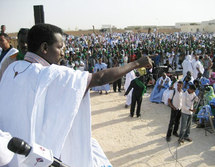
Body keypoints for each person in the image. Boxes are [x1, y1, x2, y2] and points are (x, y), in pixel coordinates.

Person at [0, 23, 153, 167]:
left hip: (11, 157)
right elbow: (99, 78)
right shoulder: (49, 74)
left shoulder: (12, 68)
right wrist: (137, 63)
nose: (63, 51)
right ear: (45, 48)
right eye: (60, 47)